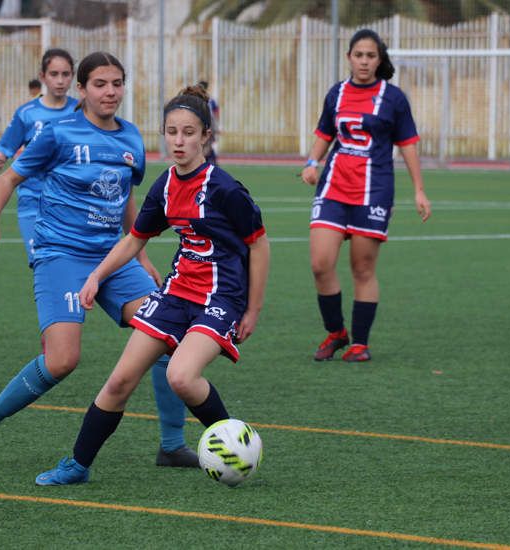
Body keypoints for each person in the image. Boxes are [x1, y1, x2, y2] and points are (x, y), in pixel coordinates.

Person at [0, 51, 199, 469]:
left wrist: (142, 254)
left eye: (117, 83)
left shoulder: (131, 138)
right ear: (82, 90)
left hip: (112, 258)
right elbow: (8, 177)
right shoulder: (57, 133)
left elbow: (125, 199)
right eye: (100, 84)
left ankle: (171, 445)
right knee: (63, 359)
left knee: (168, 333)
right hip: (61, 255)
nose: (110, 92)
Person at [34, 85, 270, 486]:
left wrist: (252, 310)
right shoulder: (164, 187)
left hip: (221, 297)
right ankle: (77, 465)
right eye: (172, 132)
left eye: (189, 133)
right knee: (120, 380)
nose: (179, 141)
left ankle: (235, 446)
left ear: (206, 137)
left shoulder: (226, 188)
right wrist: (96, 276)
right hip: (176, 293)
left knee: (180, 376)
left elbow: (259, 245)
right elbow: (134, 239)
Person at [300, 29, 431, 363]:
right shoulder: (337, 94)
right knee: (320, 263)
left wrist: (419, 190)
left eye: (371, 56)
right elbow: (324, 133)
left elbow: (408, 145)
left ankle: (360, 343)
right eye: (358, 55)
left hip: (374, 191)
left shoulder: (393, 98)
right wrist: (312, 163)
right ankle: (336, 332)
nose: (364, 61)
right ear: (349, 57)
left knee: (362, 268)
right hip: (333, 187)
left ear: (379, 60)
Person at [0, 49, 78, 265]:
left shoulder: (79, 111)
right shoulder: (27, 113)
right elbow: (6, 146)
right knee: (42, 263)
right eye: (54, 74)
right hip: (33, 200)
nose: (60, 80)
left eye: (65, 74)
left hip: (69, 201)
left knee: (72, 264)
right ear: (42, 76)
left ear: (72, 76)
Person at [196, 80, 219, 165]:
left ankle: (211, 163)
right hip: (201, 124)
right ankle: (209, 163)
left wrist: (216, 127)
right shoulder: (198, 99)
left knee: (207, 145)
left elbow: (216, 113)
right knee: (204, 146)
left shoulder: (210, 100)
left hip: (208, 124)